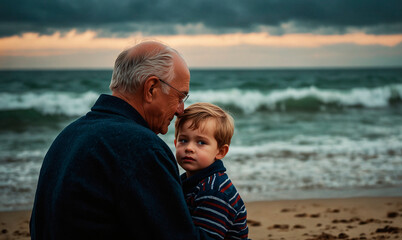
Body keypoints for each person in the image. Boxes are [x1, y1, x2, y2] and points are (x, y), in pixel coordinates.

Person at [30, 41, 215, 239]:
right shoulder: (142, 147)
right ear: (151, 88)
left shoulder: (68, 135)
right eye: (180, 97)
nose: (181, 110)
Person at [174, 102, 249, 239]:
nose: (189, 148)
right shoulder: (187, 181)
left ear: (220, 151)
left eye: (201, 142)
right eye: (183, 140)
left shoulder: (214, 191)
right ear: (175, 143)